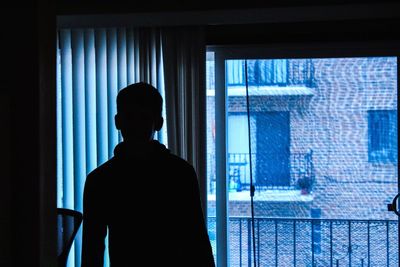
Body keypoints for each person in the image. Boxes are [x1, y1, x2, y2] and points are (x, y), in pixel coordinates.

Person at [81, 82, 215, 267]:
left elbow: (92, 251)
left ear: (117, 122)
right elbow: (197, 241)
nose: (136, 125)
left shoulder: (100, 180)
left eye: (142, 118)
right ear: (159, 123)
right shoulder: (180, 173)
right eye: (131, 118)